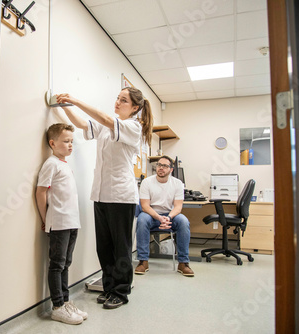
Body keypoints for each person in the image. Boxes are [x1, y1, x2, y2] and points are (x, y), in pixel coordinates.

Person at [56, 88, 153, 309]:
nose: (118, 102)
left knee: (121, 248)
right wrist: (64, 106)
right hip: (101, 193)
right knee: (104, 247)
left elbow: (106, 119)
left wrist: (75, 98)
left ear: (135, 108)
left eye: (124, 100)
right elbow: (83, 124)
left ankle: (121, 292)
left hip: (121, 195)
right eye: (118, 98)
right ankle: (109, 288)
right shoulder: (108, 126)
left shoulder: (133, 127)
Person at [36, 123, 88, 325]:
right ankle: (57, 307)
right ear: (52, 143)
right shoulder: (51, 163)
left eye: (71, 141)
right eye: (66, 141)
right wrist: (44, 218)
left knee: (66, 263)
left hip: (72, 221)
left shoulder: (64, 164)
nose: (70, 145)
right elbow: (41, 191)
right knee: (57, 265)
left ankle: (66, 302)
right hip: (58, 222)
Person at [135, 155, 195, 277]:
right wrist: (159, 217)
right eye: (159, 165)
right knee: (142, 219)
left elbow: (178, 207)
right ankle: (143, 261)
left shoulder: (177, 184)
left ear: (171, 169)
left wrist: (168, 217)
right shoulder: (147, 182)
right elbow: (145, 206)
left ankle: (183, 263)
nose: (161, 168)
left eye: (164, 166)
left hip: (169, 216)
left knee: (183, 221)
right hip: (151, 215)